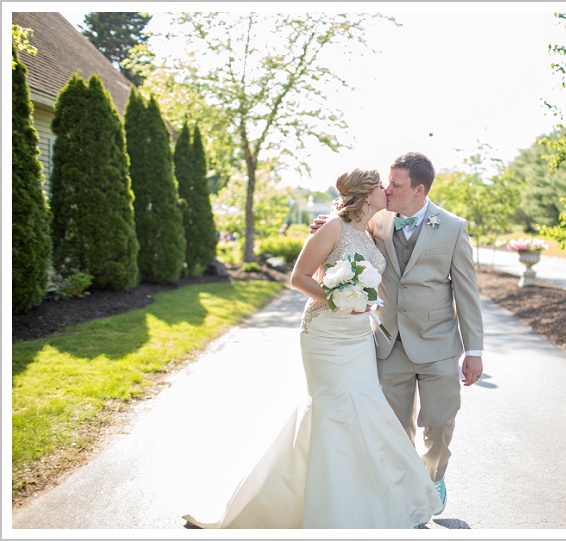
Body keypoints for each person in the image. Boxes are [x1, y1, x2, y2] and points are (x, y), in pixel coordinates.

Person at [182, 168, 441, 529]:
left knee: (366, 411)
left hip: (357, 337)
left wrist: (356, 303)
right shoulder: (332, 227)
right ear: (367, 195)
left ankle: (370, 503)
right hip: (325, 333)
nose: (387, 190)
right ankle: (312, 510)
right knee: (332, 412)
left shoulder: (372, 229)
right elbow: (298, 277)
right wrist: (339, 298)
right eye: (382, 185)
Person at [311, 152, 484, 515]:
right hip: (388, 341)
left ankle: (433, 475)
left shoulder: (452, 227)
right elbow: (347, 232)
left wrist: (475, 351)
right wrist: (324, 227)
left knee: (438, 423)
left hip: (438, 344)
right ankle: (403, 489)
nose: (387, 189)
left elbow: (467, 292)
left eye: (396, 184)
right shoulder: (379, 221)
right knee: (391, 425)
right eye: (387, 182)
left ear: (419, 190)